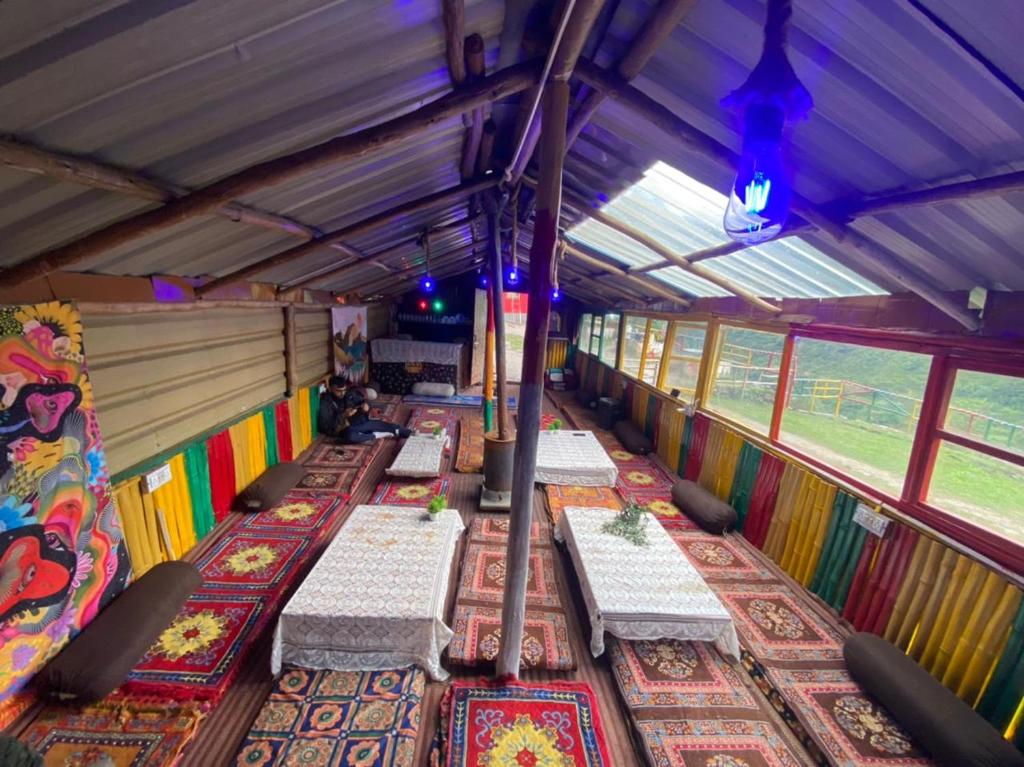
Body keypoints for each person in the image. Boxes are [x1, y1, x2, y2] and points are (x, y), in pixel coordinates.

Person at [318, 376, 411, 444]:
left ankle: (410, 434)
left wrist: (366, 407)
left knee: (391, 427)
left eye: (344, 390)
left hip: (361, 423)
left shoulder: (348, 394)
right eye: (338, 391)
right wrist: (343, 415)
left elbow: (362, 401)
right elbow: (327, 428)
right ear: (330, 389)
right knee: (350, 437)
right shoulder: (326, 403)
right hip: (347, 429)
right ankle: (377, 435)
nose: (342, 393)